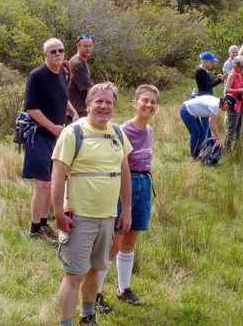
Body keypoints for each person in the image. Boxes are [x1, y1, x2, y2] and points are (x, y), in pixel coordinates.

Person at [52, 82, 132, 326]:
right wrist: (57, 212)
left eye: (109, 102)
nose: (104, 106)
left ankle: (87, 316)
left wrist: (126, 209)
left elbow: (124, 171)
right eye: (98, 101)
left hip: (107, 216)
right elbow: (57, 173)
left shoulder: (118, 133)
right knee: (75, 274)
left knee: (96, 269)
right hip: (79, 217)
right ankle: (65, 322)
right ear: (87, 105)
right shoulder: (73, 133)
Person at [95, 85, 159, 314]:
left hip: (144, 183)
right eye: (144, 100)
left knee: (130, 243)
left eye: (153, 102)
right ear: (135, 103)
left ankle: (124, 289)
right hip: (126, 187)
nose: (148, 105)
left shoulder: (149, 130)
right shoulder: (122, 131)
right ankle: (96, 293)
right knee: (115, 242)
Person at [23, 38, 78, 241]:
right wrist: (53, 127)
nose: (57, 54)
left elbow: (62, 99)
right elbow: (31, 107)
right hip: (39, 135)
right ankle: (34, 228)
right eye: (52, 52)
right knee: (44, 184)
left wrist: (73, 113)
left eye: (60, 51)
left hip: (58, 136)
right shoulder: (36, 76)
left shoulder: (62, 73)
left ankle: (44, 224)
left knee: (55, 181)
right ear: (45, 55)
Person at [224, 56, 243, 147]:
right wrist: (240, 90)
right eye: (240, 67)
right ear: (236, 65)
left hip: (242, 103)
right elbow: (227, 90)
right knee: (232, 127)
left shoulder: (242, 73)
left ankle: (237, 146)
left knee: (238, 127)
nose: (241, 69)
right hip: (234, 104)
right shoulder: (232, 74)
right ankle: (227, 147)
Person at [69, 33, 94, 117]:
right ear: (78, 46)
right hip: (76, 112)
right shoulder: (77, 64)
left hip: (77, 110)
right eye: (85, 46)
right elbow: (91, 90)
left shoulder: (79, 61)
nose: (89, 49)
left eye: (90, 46)